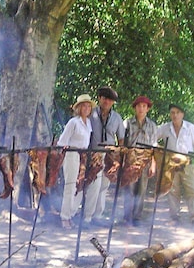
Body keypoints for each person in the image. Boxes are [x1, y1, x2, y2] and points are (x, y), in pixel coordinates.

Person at [157, 103, 194, 226]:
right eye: (172, 113)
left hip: (187, 163)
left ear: (182, 114)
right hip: (171, 164)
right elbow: (153, 138)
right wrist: (159, 148)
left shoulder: (190, 128)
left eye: (178, 113)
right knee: (173, 191)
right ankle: (174, 217)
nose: (175, 115)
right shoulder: (165, 128)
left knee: (192, 191)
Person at [83, 86, 124, 224]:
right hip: (94, 154)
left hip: (110, 155)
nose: (107, 101)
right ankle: (87, 217)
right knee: (94, 183)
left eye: (110, 100)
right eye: (104, 98)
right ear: (100, 98)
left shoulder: (117, 118)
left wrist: (118, 156)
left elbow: (121, 139)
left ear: (113, 102)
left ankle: (97, 216)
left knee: (104, 186)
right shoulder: (91, 113)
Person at [57, 94, 95, 229]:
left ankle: (71, 214)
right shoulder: (73, 122)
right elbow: (62, 141)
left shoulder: (88, 123)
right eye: (84, 105)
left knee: (80, 186)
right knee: (70, 185)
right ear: (79, 108)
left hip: (83, 155)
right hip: (72, 154)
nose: (86, 108)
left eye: (88, 106)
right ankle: (64, 217)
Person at [122, 96, 158, 226]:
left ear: (147, 109)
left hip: (145, 159)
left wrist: (153, 164)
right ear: (135, 108)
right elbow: (123, 143)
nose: (141, 109)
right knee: (129, 188)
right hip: (131, 158)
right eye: (139, 106)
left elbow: (154, 146)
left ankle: (137, 217)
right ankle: (127, 216)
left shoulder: (152, 126)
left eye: (144, 106)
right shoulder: (127, 123)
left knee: (142, 189)